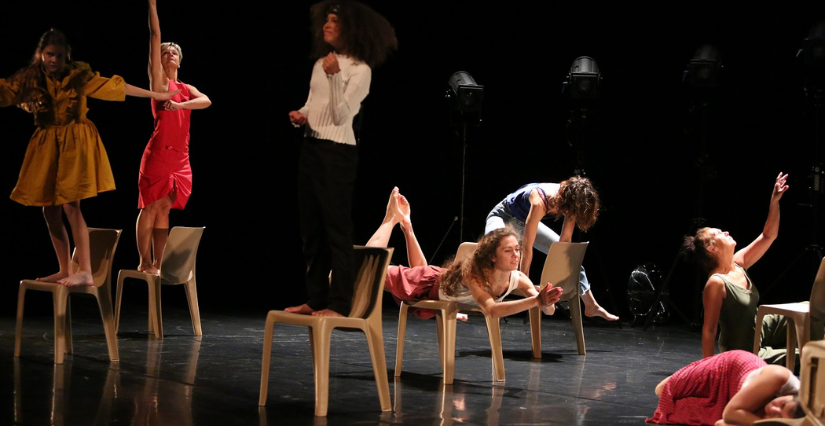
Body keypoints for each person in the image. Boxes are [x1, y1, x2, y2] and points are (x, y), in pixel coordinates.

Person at [1, 29, 180, 287]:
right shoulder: (31, 78)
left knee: (71, 206)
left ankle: (84, 269)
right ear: (41, 54)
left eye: (59, 56)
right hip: (47, 142)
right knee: (49, 209)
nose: (54, 60)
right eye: (50, 55)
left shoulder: (77, 76)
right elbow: (6, 91)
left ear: (67, 57)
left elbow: (114, 86)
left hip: (75, 142)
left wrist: (156, 95)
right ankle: (64, 269)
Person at [286, 0, 397, 317]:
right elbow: (314, 104)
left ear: (351, 29)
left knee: (336, 228)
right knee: (311, 228)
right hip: (312, 148)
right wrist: (302, 115)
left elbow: (342, 115)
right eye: (326, 20)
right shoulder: (321, 63)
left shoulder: (360, 70)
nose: (327, 25)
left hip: (338, 152)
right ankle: (317, 298)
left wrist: (335, 78)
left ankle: (340, 303)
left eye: (334, 21)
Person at [366, 187, 563, 318]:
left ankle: (407, 226)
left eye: (517, 250)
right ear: (492, 256)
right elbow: (492, 310)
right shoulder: (476, 275)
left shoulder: (518, 278)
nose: (516, 255)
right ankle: (391, 219)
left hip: (435, 284)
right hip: (431, 283)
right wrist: (536, 300)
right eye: (508, 250)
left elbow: (549, 311)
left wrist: (546, 300)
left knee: (421, 271)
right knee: (367, 266)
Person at [682, 173, 810, 362]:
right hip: (744, 350)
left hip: (761, 328)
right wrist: (707, 369)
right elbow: (709, 330)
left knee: (810, 309)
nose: (725, 232)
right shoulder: (716, 283)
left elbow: (768, 236)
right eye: (719, 233)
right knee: (804, 357)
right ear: (712, 248)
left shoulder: (738, 262)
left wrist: (774, 200)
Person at [135, 0, 212, 275]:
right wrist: (153, 5)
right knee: (150, 206)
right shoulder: (159, 82)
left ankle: (159, 263)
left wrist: (179, 105)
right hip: (159, 152)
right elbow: (155, 35)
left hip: (180, 157)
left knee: (165, 209)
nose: (169, 54)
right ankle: (144, 261)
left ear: (180, 59)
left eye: (173, 52)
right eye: (165, 52)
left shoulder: (185, 88)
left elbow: (207, 102)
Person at [484, 177, 619, 321]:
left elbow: (565, 241)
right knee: (494, 249)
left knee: (570, 256)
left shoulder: (571, 200)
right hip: (503, 216)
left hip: (523, 221)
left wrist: (564, 267)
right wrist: (525, 285)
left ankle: (591, 304)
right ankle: (488, 295)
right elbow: (527, 248)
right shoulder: (539, 201)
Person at [647, 350, 804, 425]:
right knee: (663, 391)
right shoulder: (778, 375)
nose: (773, 409)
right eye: (782, 404)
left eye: (777, 417)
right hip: (730, 367)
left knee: (676, 409)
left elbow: (721, 423)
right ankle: (686, 374)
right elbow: (730, 414)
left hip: (731, 397)